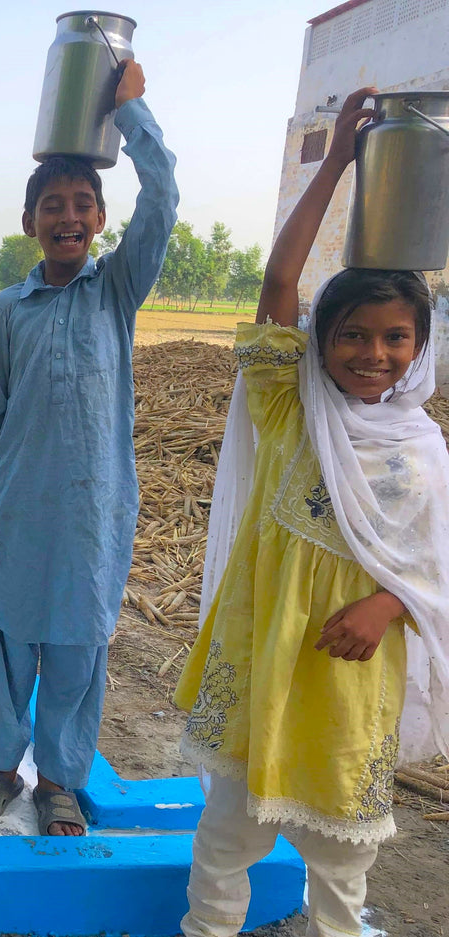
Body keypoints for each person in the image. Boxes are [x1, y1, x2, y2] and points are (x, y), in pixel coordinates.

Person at [173, 88, 449, 936]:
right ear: (322, 342)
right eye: (353, 335)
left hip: (348, 680)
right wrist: (334, 162)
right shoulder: (293, 412)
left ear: (419, 347)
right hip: (265, 661)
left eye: (396, 338)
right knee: (224, 844)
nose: (374, 354)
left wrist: (388, 601)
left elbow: (436, 565)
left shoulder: (424, 450)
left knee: (342, 867)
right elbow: (281, 281)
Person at [0, 60, 179, 836]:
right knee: (12, 639)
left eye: (83, 204)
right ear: (30, 221)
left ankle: (58, 777)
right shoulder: (5, 311)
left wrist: (132, 114)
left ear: (99, 221)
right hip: (20, 508)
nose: (68, 215)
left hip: (95, 514)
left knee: (79, 648)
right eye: (52, 204)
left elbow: (166, 199)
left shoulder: (116, 290)